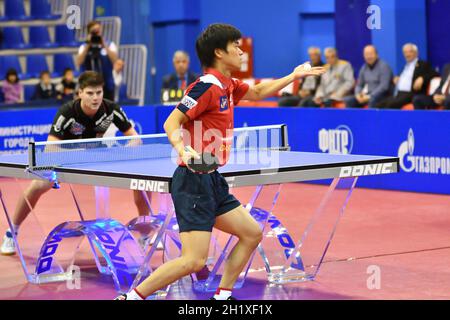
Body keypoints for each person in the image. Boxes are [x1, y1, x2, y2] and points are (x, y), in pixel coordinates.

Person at [115, 23, 325, 301]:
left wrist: (294, 75)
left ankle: (222, 296)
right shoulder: (205, 87)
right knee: (193, 261)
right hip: (192, 180)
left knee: (251, 233)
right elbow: (172, 121)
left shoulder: (228, 85)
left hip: (212, 179)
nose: (240, 50)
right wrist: (184, 148)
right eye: (234, 46)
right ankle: (131, 298)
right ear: (218, 52)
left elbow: (260, 93)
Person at [0, 71, 152, 256]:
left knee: (143, 182)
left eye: (98, 92)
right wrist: (76, 153)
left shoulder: (111, 110)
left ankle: (145, 235)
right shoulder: (68, 112)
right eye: (90, 93)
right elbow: (50, 149)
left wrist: (124, 149)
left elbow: (136, 139)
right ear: (79, 93)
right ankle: (12, 231)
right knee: (37, 185)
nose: (95, 97)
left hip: (98, 160)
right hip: (66, 161)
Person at [375, 43, 438, 109]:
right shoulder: (405, 66)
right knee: (379, 105)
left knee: (391, 105)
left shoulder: (422, 64)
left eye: (410, 52)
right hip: (398, 94)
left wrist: (422, 78)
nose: (407, 54)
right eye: (405, 52)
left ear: (416, 53)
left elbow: (435, 73)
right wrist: (398, 78)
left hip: (411, 94)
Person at [76, 20, 118, 101]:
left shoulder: (109, 44)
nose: (97, 33)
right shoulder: (83, 47)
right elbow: (78, 62)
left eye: (98, 30)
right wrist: (88, 44)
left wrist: (103, 44)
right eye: (94, 31)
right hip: (88, 86)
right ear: (89, 33)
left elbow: (114, 60)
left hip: (107, 84)